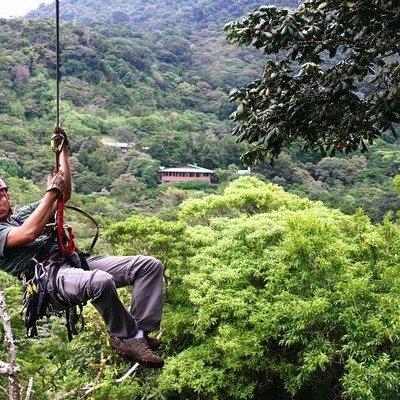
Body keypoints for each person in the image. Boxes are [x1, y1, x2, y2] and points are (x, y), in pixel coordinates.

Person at [0, 129, 164, 368]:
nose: (4, 198)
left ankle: (141, 334)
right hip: (51, 280)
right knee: (100, 281)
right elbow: (29, 233)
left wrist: (63, 152)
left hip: (74, 262)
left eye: (4, 193)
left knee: (148, 266)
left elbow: (63, 194)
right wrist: (50, 192)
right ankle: (125, 337)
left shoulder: (22, 215)